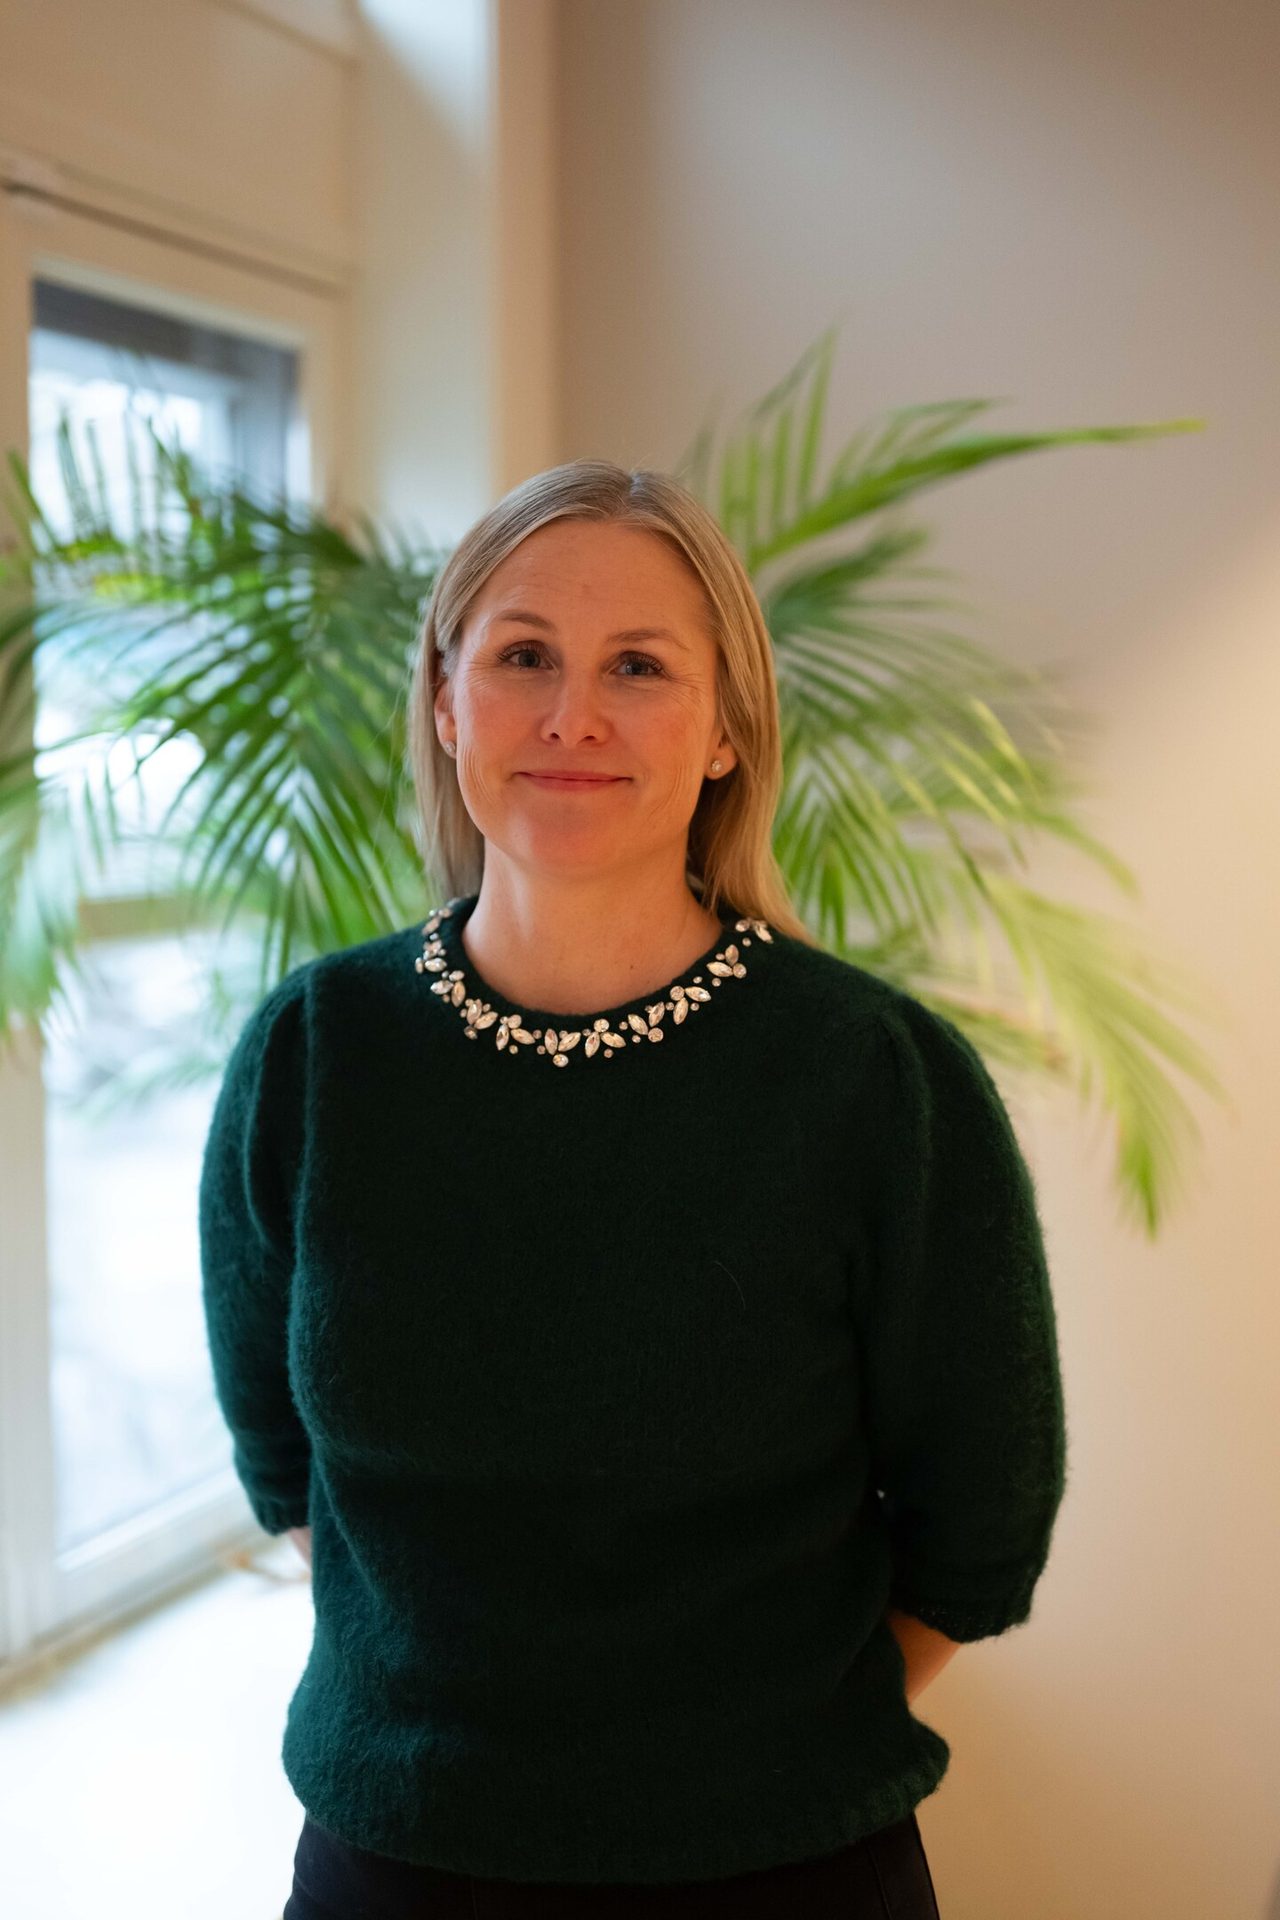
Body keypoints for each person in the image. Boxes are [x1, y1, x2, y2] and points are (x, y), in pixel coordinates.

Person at [198, 459, 1068, 1918]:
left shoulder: (874, 1079)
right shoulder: (315, 1051)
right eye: (523, 655)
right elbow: (286, 1465)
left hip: (784, 1869)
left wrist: (726, 1758)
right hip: (393, 1862)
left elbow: (980, 1517)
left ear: (725, 730)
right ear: (445, 701)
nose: (573, 716)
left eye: (640, 667)